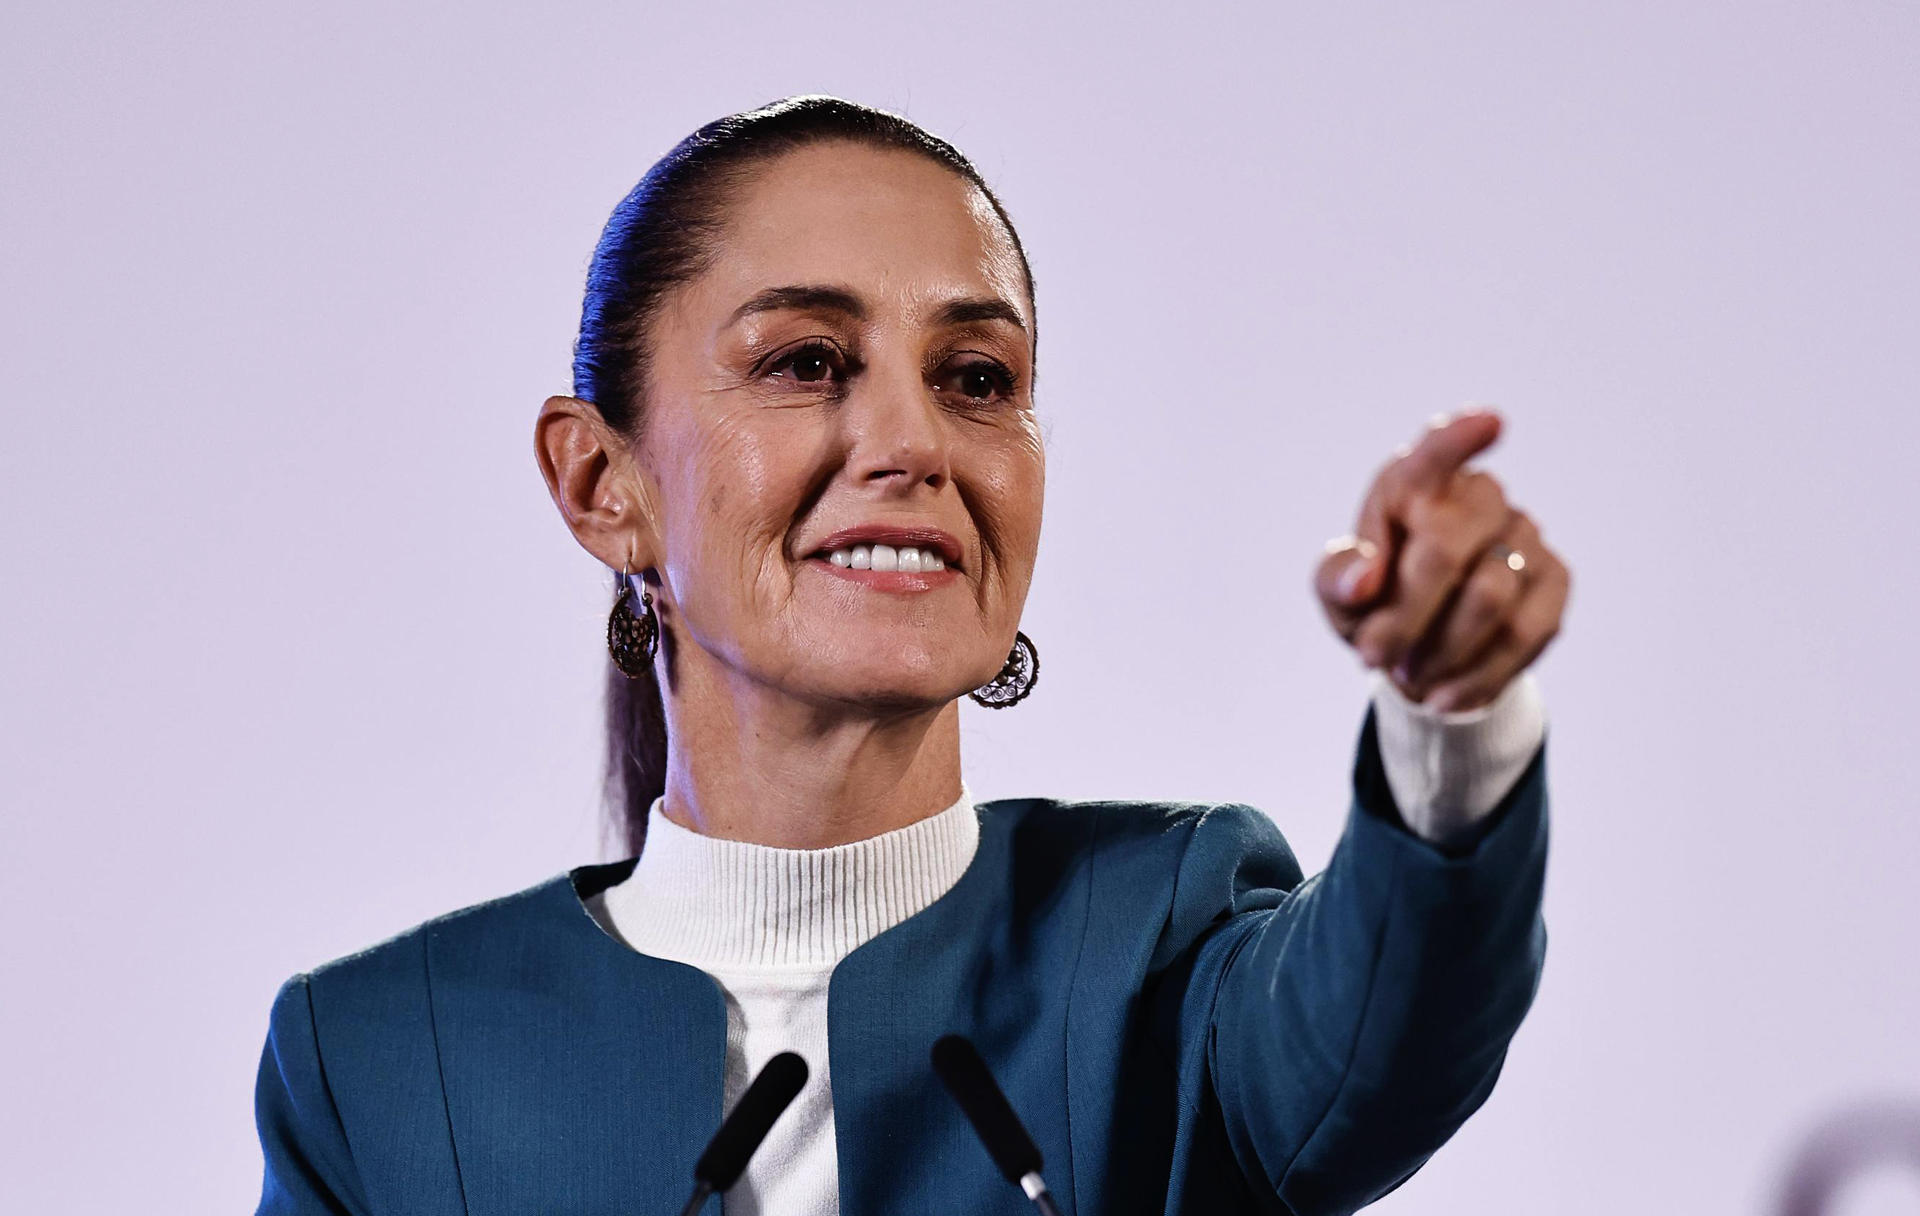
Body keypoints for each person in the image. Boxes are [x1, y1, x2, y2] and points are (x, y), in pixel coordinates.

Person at [252, 95, 1570, 1216]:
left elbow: (1385, 1036)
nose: (914, 443)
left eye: (977, 378)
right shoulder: (376, 1065)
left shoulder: (1159, 941)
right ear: (601, 480)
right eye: (809, 360)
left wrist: (1453, 709)